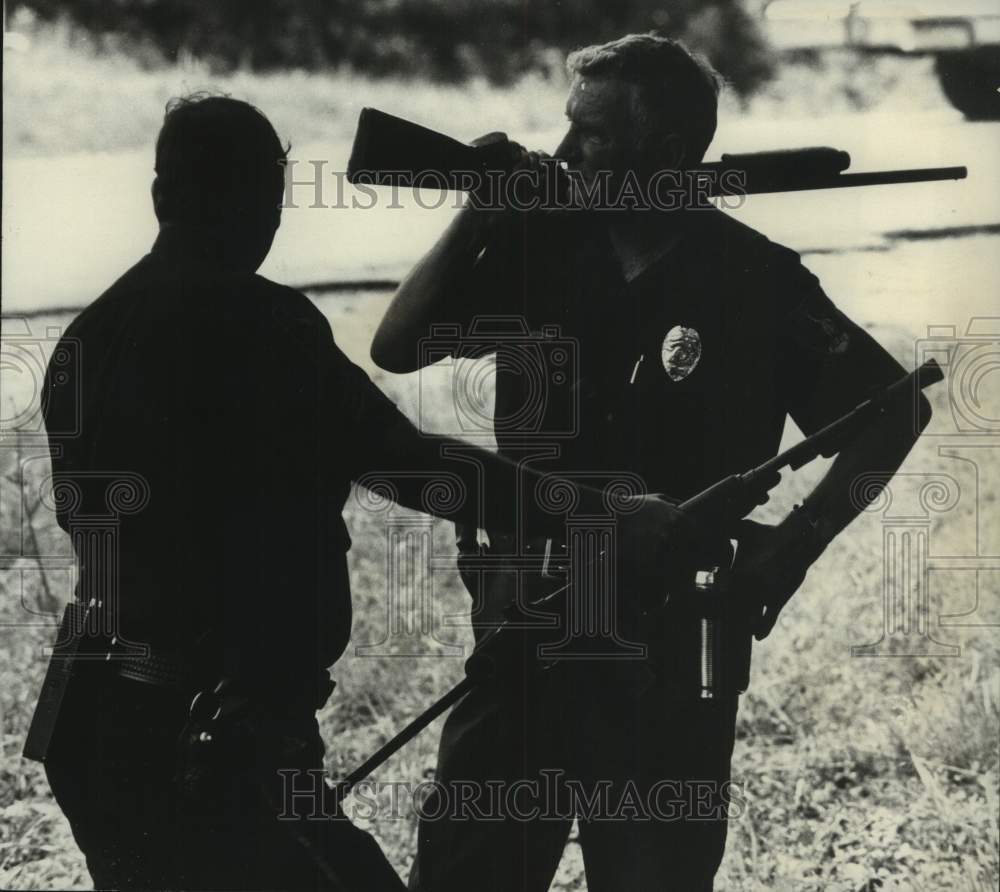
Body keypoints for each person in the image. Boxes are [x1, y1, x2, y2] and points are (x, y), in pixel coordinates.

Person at [24, 93, 683, 892]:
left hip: (99, 721)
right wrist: (600, 514)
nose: (268, 220)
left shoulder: (91, 333)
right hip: (208, 733)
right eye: (262, 195)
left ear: (161, 193)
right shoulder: (261, 323)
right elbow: (411, 464)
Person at [371, 34, 933, 892]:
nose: (562, 154)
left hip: (671, 644)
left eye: (589, 135)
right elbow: (399, 344)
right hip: (528, 626)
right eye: (566, 129)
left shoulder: (753, 279)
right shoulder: (541, 251)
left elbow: (896, 410)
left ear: (664, 150)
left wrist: (797, 544)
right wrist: (480, 211)